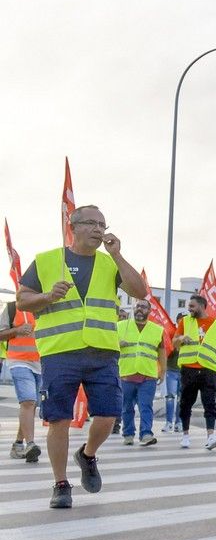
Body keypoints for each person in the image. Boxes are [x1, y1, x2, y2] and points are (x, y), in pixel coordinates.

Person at [16, 204, 148, 508]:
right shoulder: (47, 261)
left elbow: (140, 291)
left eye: (102, 224)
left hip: (102, 352)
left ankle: (87, 455)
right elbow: (23, 300)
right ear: (73, 227)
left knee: (108, 414)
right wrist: (47, 296)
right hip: (60, 353)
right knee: (58, 420)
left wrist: (116, 255)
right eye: (91, 223)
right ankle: (61, 484)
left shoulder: (109, 263)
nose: (99, 229)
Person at [174, 294, 216, 450]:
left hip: (209, 370)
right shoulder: (184, 322)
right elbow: (174, 342)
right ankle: (185, 435)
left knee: (210, 403)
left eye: (192, 306)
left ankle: (211, 436)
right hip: (189, 369)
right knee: (185, 403)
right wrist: (181, 339)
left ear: (202, 306)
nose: (189, 309)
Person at [117, 299, 165, 447]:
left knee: (146, 406)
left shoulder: (157, 330)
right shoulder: (120, 326)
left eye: (143, 307)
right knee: (127, 407)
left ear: (149, 311)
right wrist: (118, 344)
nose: (139, 309)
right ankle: (128, 434)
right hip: (126, 373)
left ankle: (146, 434)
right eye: (137, 306)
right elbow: (108, 344)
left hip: (147, 374)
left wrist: (162, 371)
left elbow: (162, 351)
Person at [1, 300, 42, 462]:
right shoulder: (12, 308)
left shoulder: (43, 306)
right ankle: (30, 444)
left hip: (40, 363)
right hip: (18, 361)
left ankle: (18, 444)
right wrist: (17, 330)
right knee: (28, 401)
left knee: (31, 406)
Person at [161, 311, 184, 432]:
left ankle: (178, 422)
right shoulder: (171, 333)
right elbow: (166, 351)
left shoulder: (190, 334)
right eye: (181, 319)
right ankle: (168, 422)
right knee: (170, 396)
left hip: (184, 370)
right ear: (177, 320)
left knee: (181, 398)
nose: (183, 321)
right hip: (172, 370)